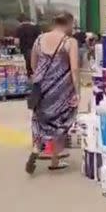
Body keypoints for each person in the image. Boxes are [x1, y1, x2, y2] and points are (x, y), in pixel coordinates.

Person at [25, 12, 80, 175]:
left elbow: (33, 64)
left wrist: (42, 80)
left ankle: (36, 148)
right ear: (69, 23)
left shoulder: (40, 39)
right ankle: (55, 161)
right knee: (60, 123)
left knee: (39, 119)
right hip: (61, 90)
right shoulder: (70, 42)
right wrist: (77, 92)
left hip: (41, 88)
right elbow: (75, 68)